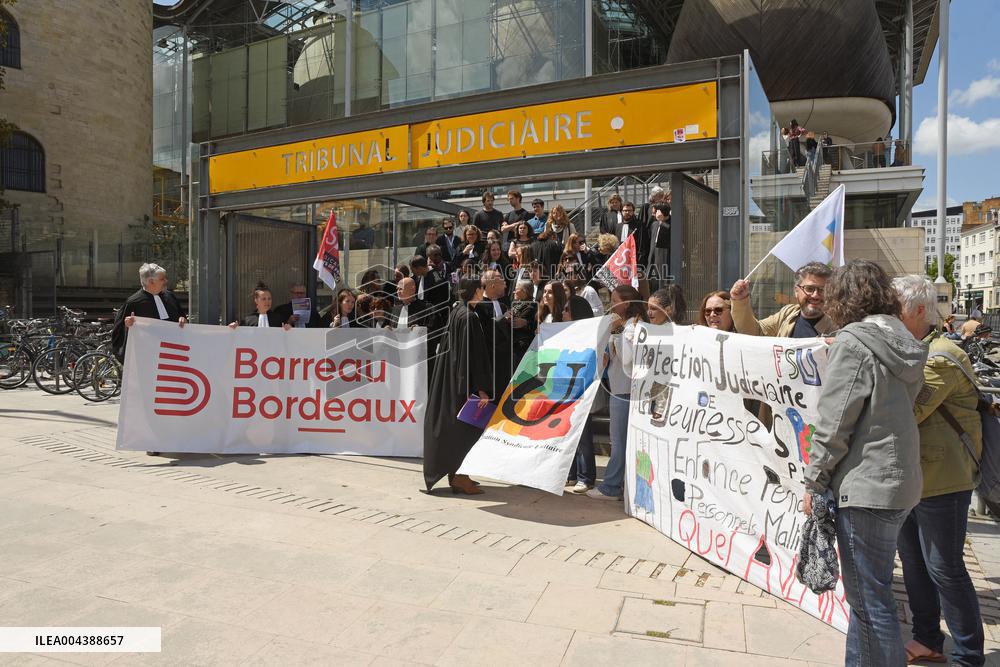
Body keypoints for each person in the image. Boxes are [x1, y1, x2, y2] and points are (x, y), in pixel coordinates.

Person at [803, 259, 928, 667]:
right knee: (868, 600)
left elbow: (834, 423)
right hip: (900, 481)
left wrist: (813, 482)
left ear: (841, 297)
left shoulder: (854, 343)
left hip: (867, 484)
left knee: (871, 604)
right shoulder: (901, 338)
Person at [893, 275, 985, 667]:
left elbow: (907, 411)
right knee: (913, 563)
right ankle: (928, 639)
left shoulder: (942, 356)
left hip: (943, 479)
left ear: (916, 311)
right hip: (910, 476)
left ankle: (968, 654)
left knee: (945, 567)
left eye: (891, 309)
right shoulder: (907, 349)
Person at [423, 278, 491, 495]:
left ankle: (460, 474)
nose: (484, 292)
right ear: (476, 291)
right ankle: (459, 477)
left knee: (458, 429)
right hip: (464, 384)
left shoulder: (458, 312)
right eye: (482, 288)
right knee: (464, 431)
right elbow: (473, 357)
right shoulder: (469, 317)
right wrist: (480, 388)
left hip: (454, 379)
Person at [588, 285, 647, 500]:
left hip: (625, 391)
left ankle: (611, 487)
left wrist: (616, 332)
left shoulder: (631, 327)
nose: (611, 304)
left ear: (627, 303)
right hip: (620, 389)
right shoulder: (625, 326)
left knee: (619, 441)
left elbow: (628, 360)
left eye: (614, 300)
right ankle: (620, 485)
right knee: (621, 440)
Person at [730, 262, 835, 338]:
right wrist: (740, 300)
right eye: (809, 289)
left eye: (822, 290)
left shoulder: (836, 327)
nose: (815, 295)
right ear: (796, 290)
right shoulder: (788, 314)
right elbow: (755, 332)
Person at [112, 262, 187, 362]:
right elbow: (118, 334)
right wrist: (127, 326)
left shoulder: (170, 297)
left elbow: (182, 319)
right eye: (162, 279)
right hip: (147, 359)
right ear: (151, 281)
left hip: (172, 355)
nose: (166, 281)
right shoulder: (133, 302)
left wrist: (183, 320)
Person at [562, 295, 598, 493]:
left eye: (567, 309)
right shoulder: (566, 331)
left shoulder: (589, 333)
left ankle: (587, 477)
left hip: (583, 390)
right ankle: (572, 474)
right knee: (571, 434)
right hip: (568, 389)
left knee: (583, 436)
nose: (563, 312)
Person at [648, 202, 671, 286]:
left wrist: (662, 221)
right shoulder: (654, 224)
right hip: (653, 257)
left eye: (655, 211)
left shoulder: (671, 224)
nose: (653, 214)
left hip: (664, 258)